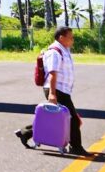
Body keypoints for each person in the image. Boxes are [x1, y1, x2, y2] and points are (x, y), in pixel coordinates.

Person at [15, 26, 89, 156]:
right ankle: (76, 147)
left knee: (59, 118)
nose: (73, 40)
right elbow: (52, 74)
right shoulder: (55, 52)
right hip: (56, 89)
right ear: (61, 37)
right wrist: (52, 94)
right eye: (70, 37)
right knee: (73, 120)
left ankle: (25, 133)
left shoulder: (64, 50)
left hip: (62, 90)